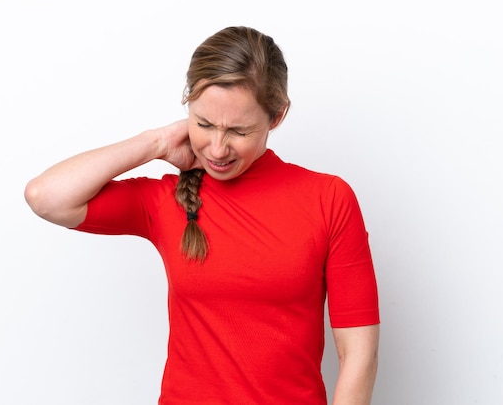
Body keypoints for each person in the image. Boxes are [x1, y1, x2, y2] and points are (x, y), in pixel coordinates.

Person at [25, 26, 380, 405]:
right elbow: (46, 197)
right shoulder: (167, 200)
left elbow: (359, 353)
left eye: (238, 131)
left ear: (276, 116)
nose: (217, 148)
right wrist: (156, 142)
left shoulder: (328, 199)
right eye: (204, 124)